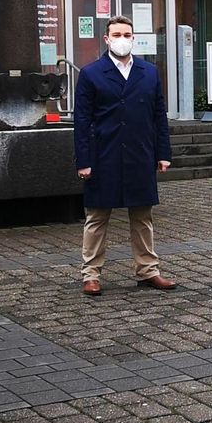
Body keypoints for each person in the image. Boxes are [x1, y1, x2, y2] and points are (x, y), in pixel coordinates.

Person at [74, 15, 176, 296]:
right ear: (106, 39)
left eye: (127, 35)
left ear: (134, 38)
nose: (122, 39)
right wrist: (83, 160)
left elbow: (158, 115)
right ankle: (91, 274)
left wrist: (163, 153)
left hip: (140, 154)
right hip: (103, 155)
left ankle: (148, 271)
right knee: (97, 217)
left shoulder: (149, 72)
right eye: (117, 35)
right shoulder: (91, 73)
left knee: (142, 217)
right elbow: (82, 120)